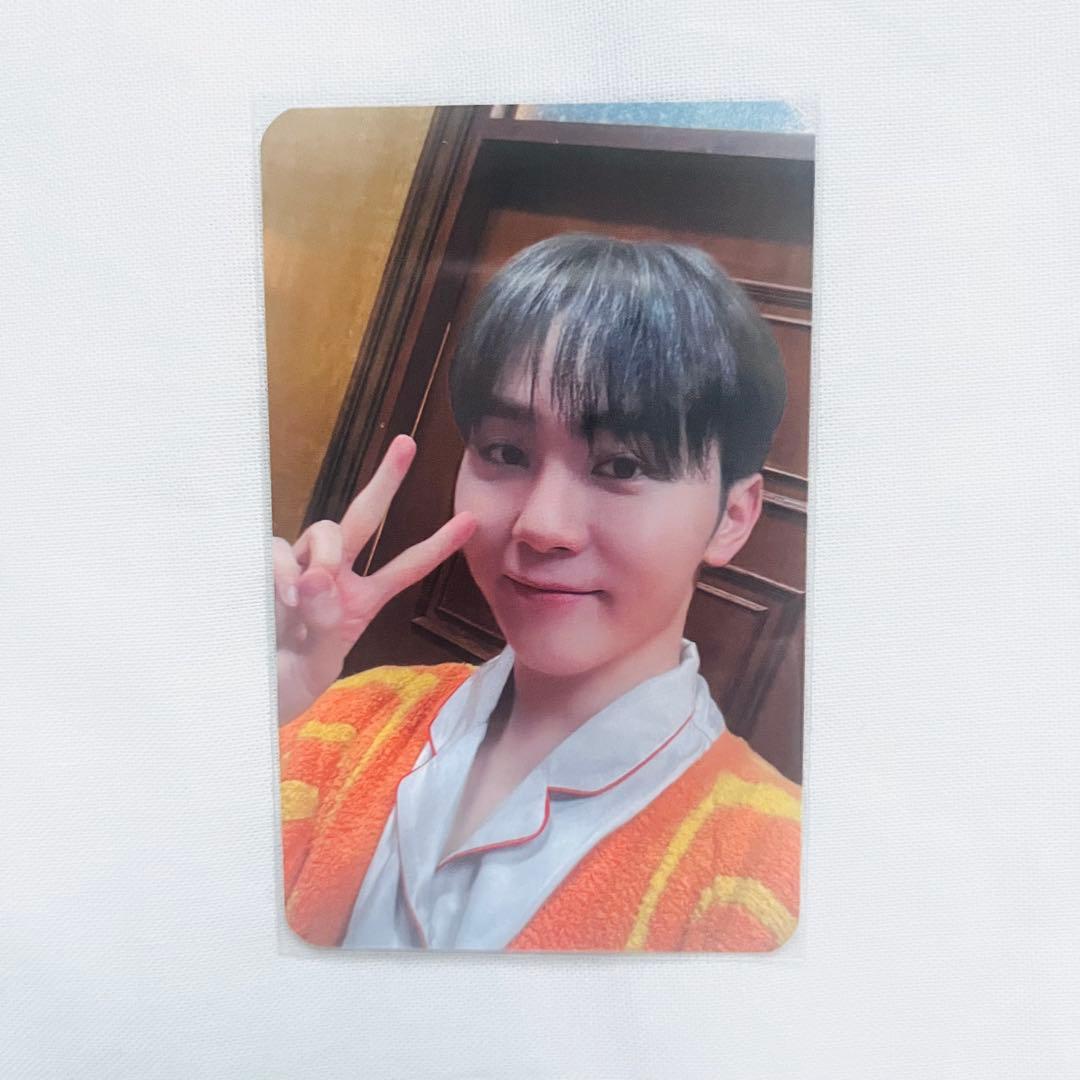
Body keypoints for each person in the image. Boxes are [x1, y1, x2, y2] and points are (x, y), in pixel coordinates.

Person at [274, 233, 801, 952]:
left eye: (622, 465)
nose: (541, 525)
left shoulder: (777, 877)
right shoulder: (341, 719)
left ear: (733, 517)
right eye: (506, 452)